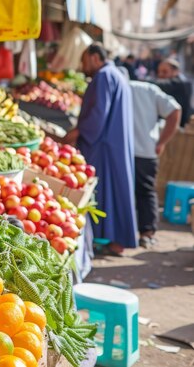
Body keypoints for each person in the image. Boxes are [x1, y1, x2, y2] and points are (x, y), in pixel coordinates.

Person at [62, 43, 138, 255]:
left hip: (103, 144)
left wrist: (76, 133)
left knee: (103, 190)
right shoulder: (117, 74)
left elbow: (98, 113)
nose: (82, 66)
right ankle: (115, 241)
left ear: (96, 58)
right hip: (114, 142)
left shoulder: (104, 76)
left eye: (84, 61)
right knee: (115, 190)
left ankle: (115, 242)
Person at [119, 67, 181, 248]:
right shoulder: (148, 89)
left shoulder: (123, 88)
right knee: (145, 192)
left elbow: (175, 111)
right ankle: (146, 234)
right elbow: (175, 111)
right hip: (145, 150)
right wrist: (162, 142)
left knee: (130, 193)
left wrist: (162, 142)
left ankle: (126, 236)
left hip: (130, 151)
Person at [155, 59, 192, 127]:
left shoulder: (182, 84)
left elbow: (160, 85)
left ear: (175, 71)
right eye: (159, 71)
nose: (160, 74)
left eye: (165, 71)